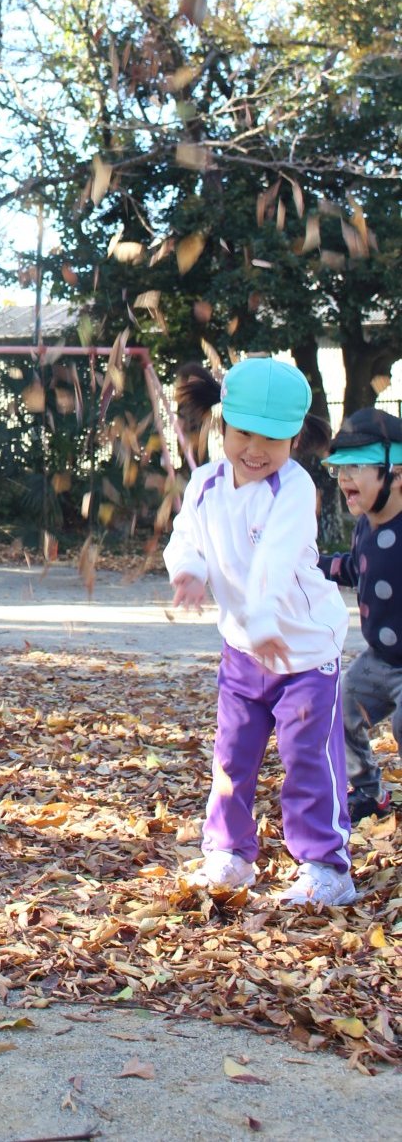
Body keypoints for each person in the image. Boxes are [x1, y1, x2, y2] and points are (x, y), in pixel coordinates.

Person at [166, 357, 355, 905]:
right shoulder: (204, 483)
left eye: (272, 439)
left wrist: (268, 619)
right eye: (244, 433)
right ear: (222, 426)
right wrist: (189, 571)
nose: (255, 449)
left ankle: (326, 866)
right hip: (245, 651)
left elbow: (277, 555)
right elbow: (186, 538)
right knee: (232, 753)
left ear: (294, 438)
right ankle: (228, 854)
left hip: (303, 651)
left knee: (306, 757)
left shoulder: (294, 489)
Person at [318, 407, 402, 824]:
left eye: (356, 467)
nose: (344, 478)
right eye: (339, 470)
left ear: (396, 473)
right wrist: (312, 565)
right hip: (381, 659)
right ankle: (369, 791)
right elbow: (355, 567)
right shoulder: (366, 525)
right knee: (339, 708)